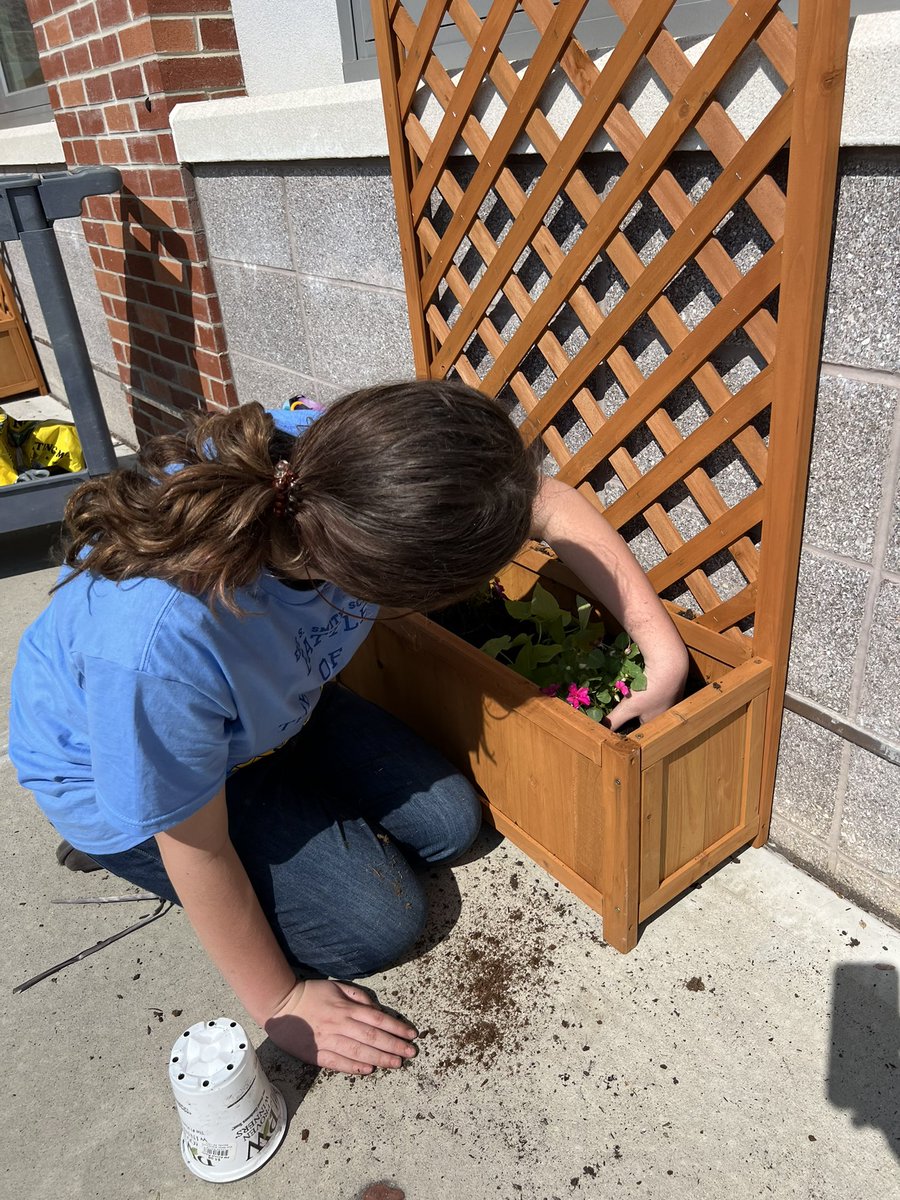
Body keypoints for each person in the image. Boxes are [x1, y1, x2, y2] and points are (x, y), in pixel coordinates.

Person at [9, 379, 687, 1077]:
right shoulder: (160, 646)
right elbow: (198, 847)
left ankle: (282, 799)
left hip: (269, 713)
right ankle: (117, 848)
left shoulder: (338, 469)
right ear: (384, 585)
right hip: (129, 772)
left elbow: (549, 503)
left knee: (453, 822)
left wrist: (661, 650)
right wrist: (283, 1000)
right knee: (378, 924)